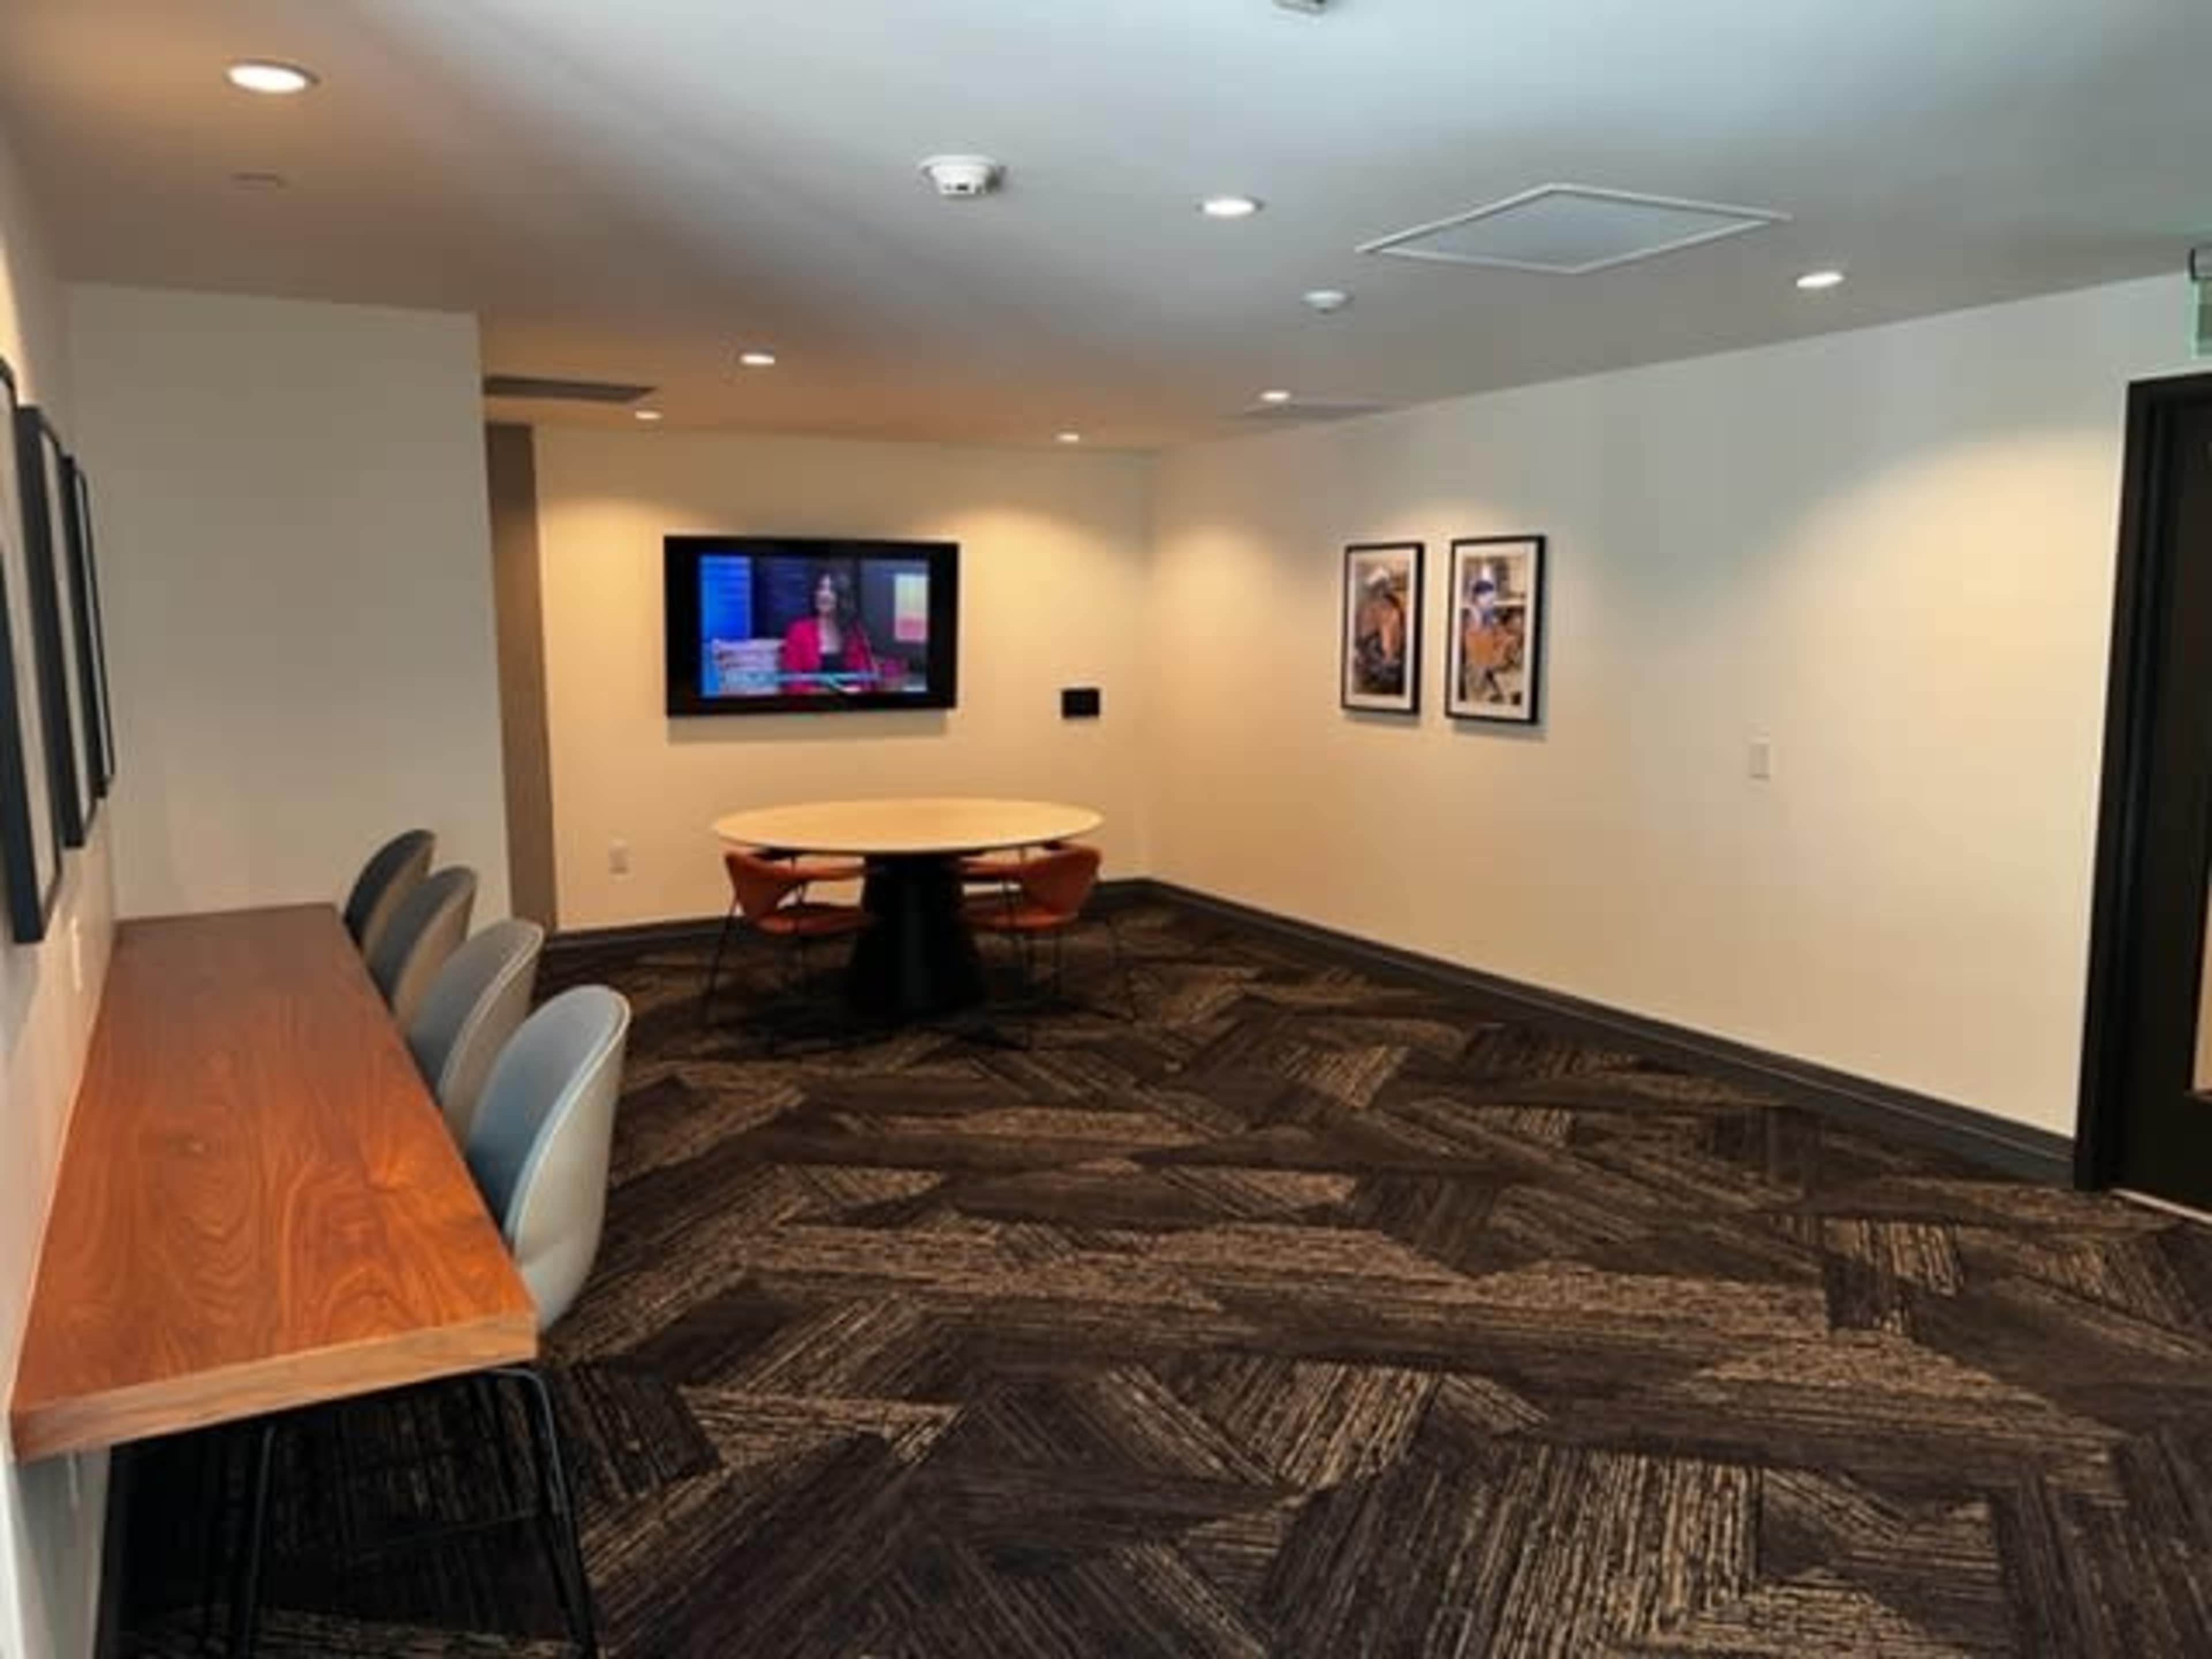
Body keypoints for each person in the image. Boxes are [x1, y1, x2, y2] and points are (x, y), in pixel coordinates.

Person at [779, 568, 877, 692]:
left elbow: (866, 680)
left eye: (831, 590)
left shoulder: (855, 634)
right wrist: (824, 693)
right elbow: (790, 680)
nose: (823, 594)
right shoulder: (798, 631)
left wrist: (857, 690)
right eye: (821, 588)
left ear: (842, 597)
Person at [1352, 567, 1407, 695]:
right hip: (1371, 664)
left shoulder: (1391, 610)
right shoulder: (1367, 608)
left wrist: (1389, 656)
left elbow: (1391, 642)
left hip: (1382, 666)